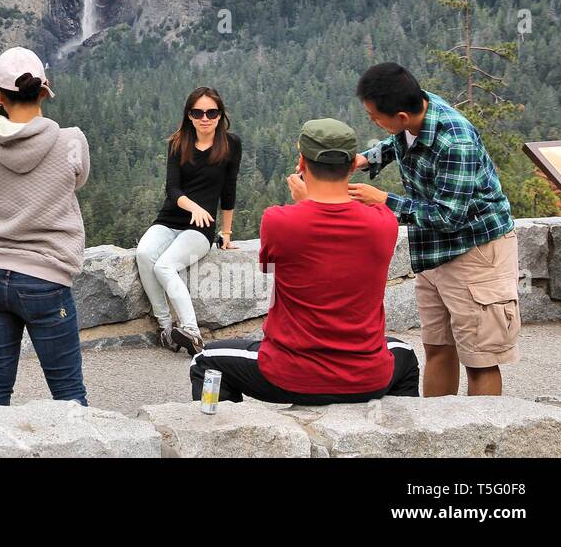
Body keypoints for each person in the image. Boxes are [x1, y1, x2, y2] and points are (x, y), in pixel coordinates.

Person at [190, 119, 421, 404]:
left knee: (206, 360)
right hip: (367, 378)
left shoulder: (279, 221)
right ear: (352, 166)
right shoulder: (382, 222)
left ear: (302, 162)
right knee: (406, 354)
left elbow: (270, 265)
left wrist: (304, 203)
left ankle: (223, 437)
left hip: (290, 376)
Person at [350, 62, 519, 397]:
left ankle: (480, 443)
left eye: (374, 116)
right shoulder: (416, 112)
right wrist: (364, 160)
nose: (372, 121)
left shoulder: (455, 139)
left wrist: (382, 201)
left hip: (476, 251)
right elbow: (398, 143)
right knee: (438, 347)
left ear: (400, 115)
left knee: (480, 358)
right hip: (435, 253)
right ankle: (439, 433)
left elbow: (448, 216)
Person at [0, 47, 90, 405]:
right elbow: (78, 179)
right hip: (46, 279)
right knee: (69, 393)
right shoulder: (72, 140)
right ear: (44, 90)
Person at [136, 86, 241, 356]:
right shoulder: (178, 143)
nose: (205, 117)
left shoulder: (231, 144)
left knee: (165, 266)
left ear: (220, 115)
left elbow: (229, 191)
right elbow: (172, 190)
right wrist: (193, 206)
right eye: (198, 112)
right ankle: (166, 328)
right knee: (144, 254)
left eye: (211, 112)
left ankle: (192, 331)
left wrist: (226, 232)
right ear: (189, 115)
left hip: (200, 230)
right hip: (169, 218)